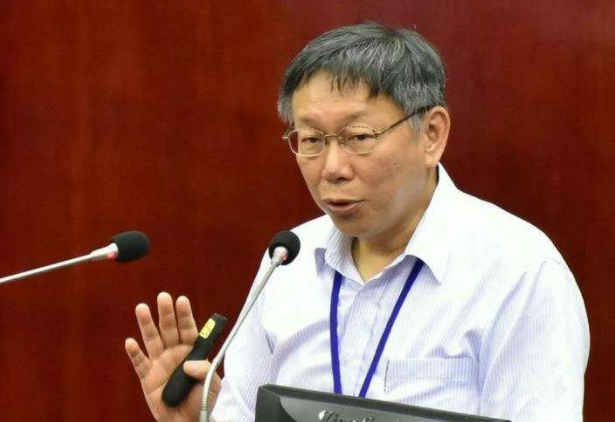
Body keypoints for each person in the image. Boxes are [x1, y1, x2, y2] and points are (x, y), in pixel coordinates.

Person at [124, 23, 590, 422]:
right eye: (311, 140)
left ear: (431, 134)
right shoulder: (288, 260)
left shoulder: (518, 270)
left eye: (359, 137)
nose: (332, 168)